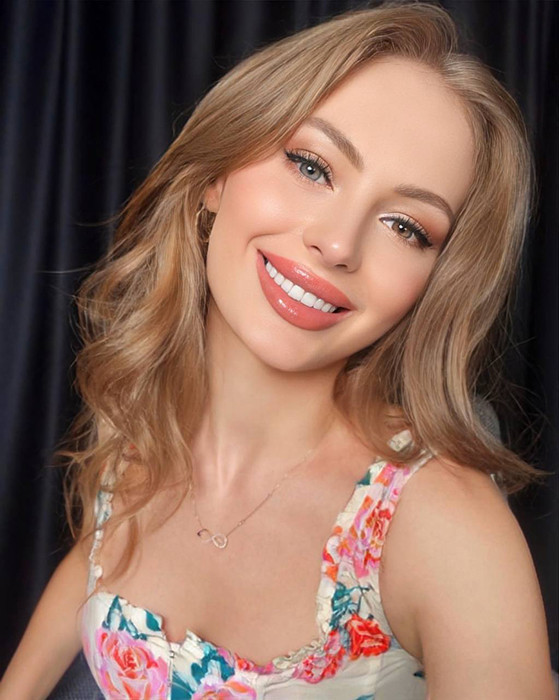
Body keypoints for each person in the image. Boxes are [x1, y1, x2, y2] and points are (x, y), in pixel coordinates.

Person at [1, 2, 556, 698]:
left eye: (405, 227)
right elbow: (97, 560)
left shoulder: (444, 528)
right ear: (215, 175)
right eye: (312, 166)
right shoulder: (147, 418)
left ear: (435, 284)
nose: (338, 243)